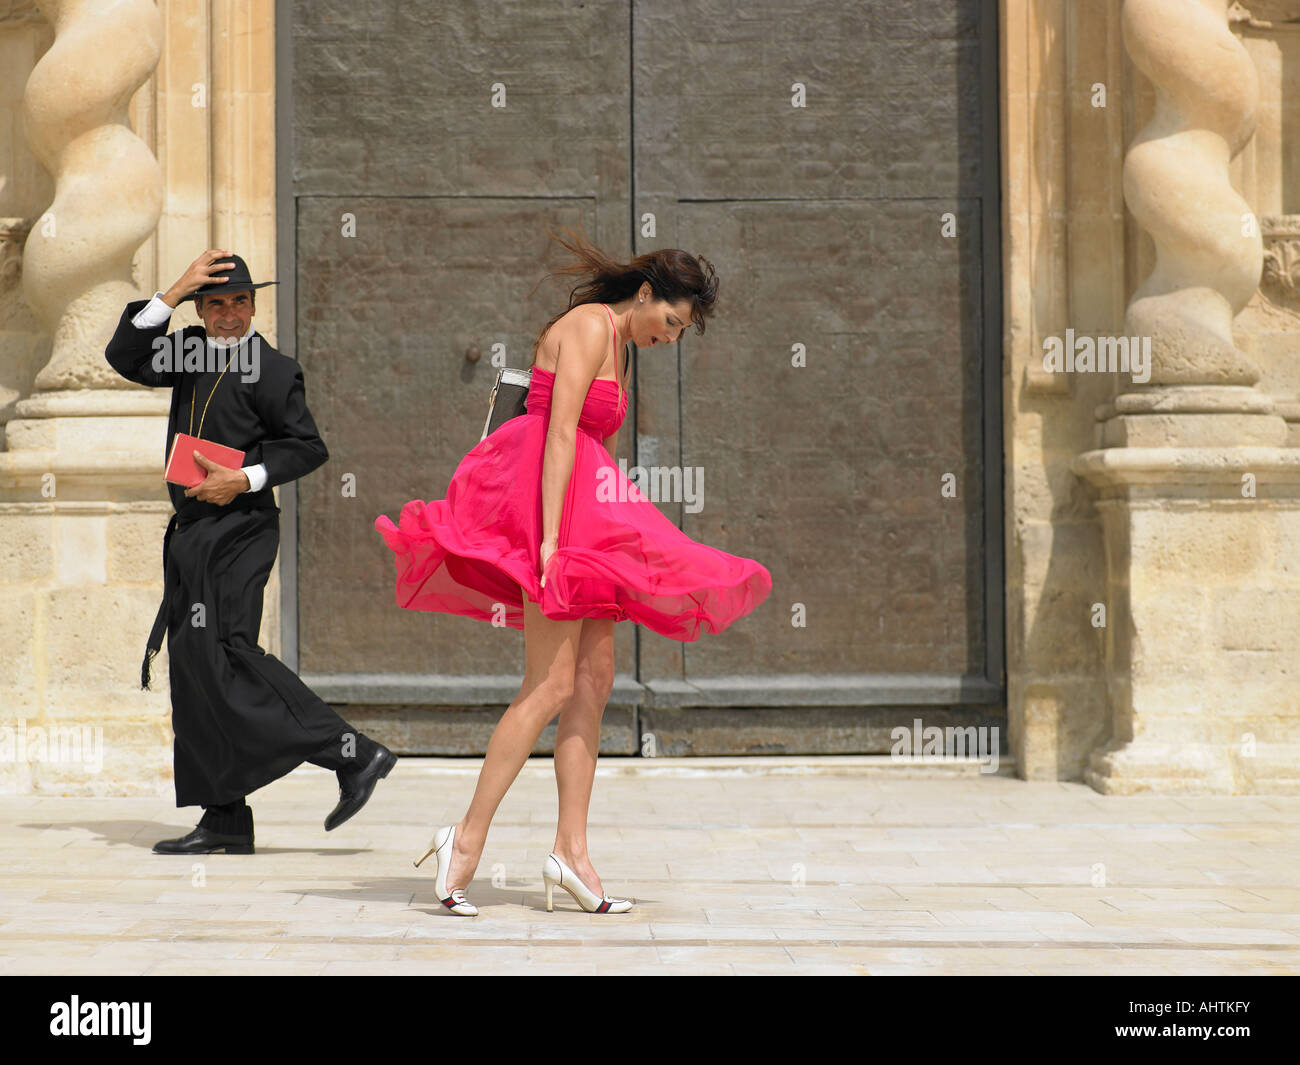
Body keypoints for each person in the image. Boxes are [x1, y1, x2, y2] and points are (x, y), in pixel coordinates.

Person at [375, 227, 771, 914]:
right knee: (551, 681)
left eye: (680, 333)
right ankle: (464, 840)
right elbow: (559, 432)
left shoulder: (620, 345)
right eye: (670, 322)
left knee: (592, 681)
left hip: (583, 519)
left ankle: (571, 853)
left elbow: (599, 455)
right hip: (541, 512)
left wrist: (611, 539)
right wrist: (552, 541)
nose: (669, 339)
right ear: (645, 295)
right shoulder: (589, 325)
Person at [105, 249, 396, 855]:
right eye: (215, 303)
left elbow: (307, 447)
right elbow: (123, 357)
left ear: (254, 306)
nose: (229, 314)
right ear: (201, 309)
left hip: (240, 530)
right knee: (195, 665)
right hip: (190, 533)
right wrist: (172, 290)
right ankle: (225, 819)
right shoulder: (185, 354)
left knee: (229, 653)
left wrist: (245, 479)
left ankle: (353, 752)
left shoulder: (274, 369)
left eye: (239, 301)